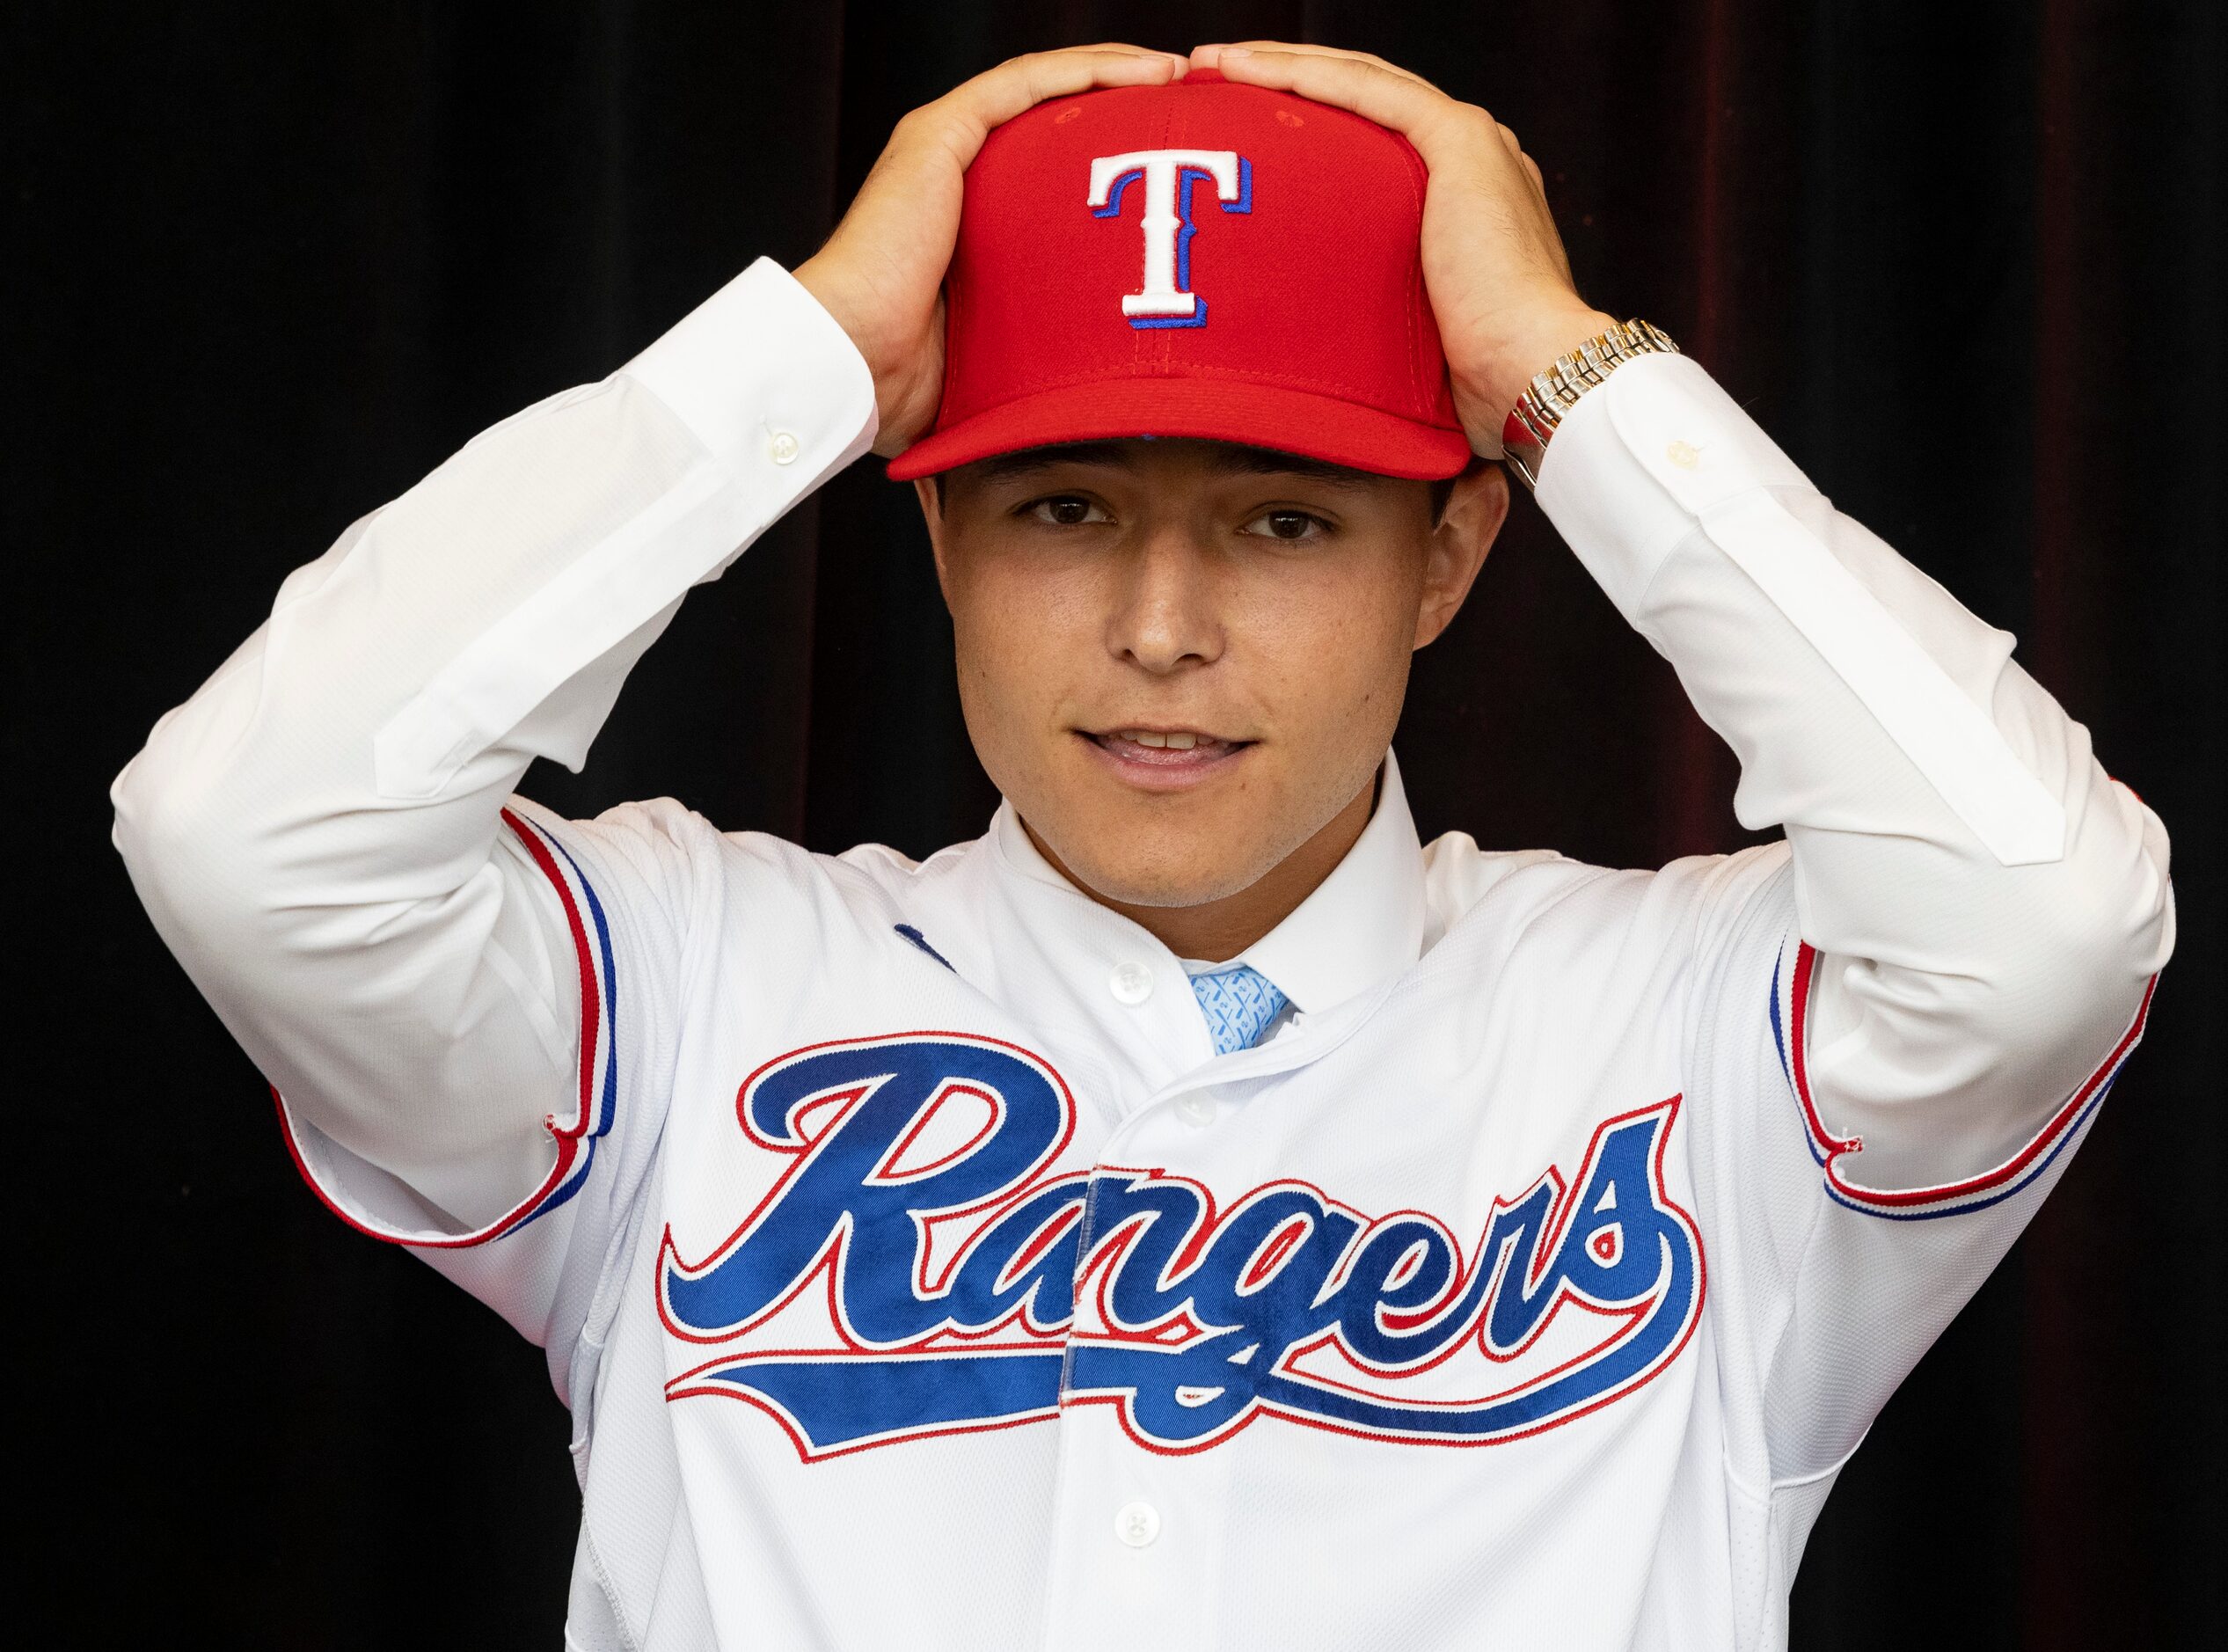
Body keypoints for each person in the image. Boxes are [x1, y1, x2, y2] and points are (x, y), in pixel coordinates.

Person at [112, 38, 2173, 1652]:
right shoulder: (680, 990)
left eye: (1284, 519)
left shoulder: (1684, 1032)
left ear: (1451, 547)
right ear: (929, 527)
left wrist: (1573, 383)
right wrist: (806, 356)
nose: (1160, 624)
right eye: (1062, 508)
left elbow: (2050, 918)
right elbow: (246, 830)